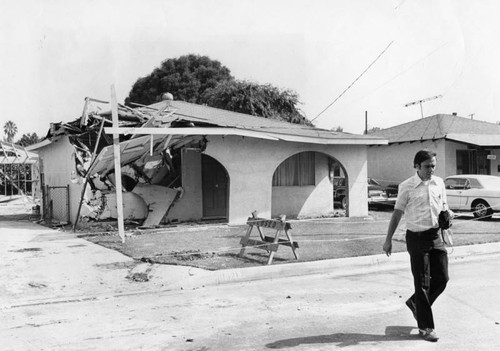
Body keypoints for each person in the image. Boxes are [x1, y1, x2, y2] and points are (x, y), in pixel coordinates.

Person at [383, 149, 452, 342]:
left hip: (435, 235)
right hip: (416, 238)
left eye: (433, 166)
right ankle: (426, 327)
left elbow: (443, 207)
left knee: (442, 278)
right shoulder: (406, 186)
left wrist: (447, 221)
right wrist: (388, 240)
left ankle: (415, 303)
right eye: (427, 166)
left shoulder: (439, 183)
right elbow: (397, 214)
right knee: (422, 282)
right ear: (417, 166)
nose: (431, 169)